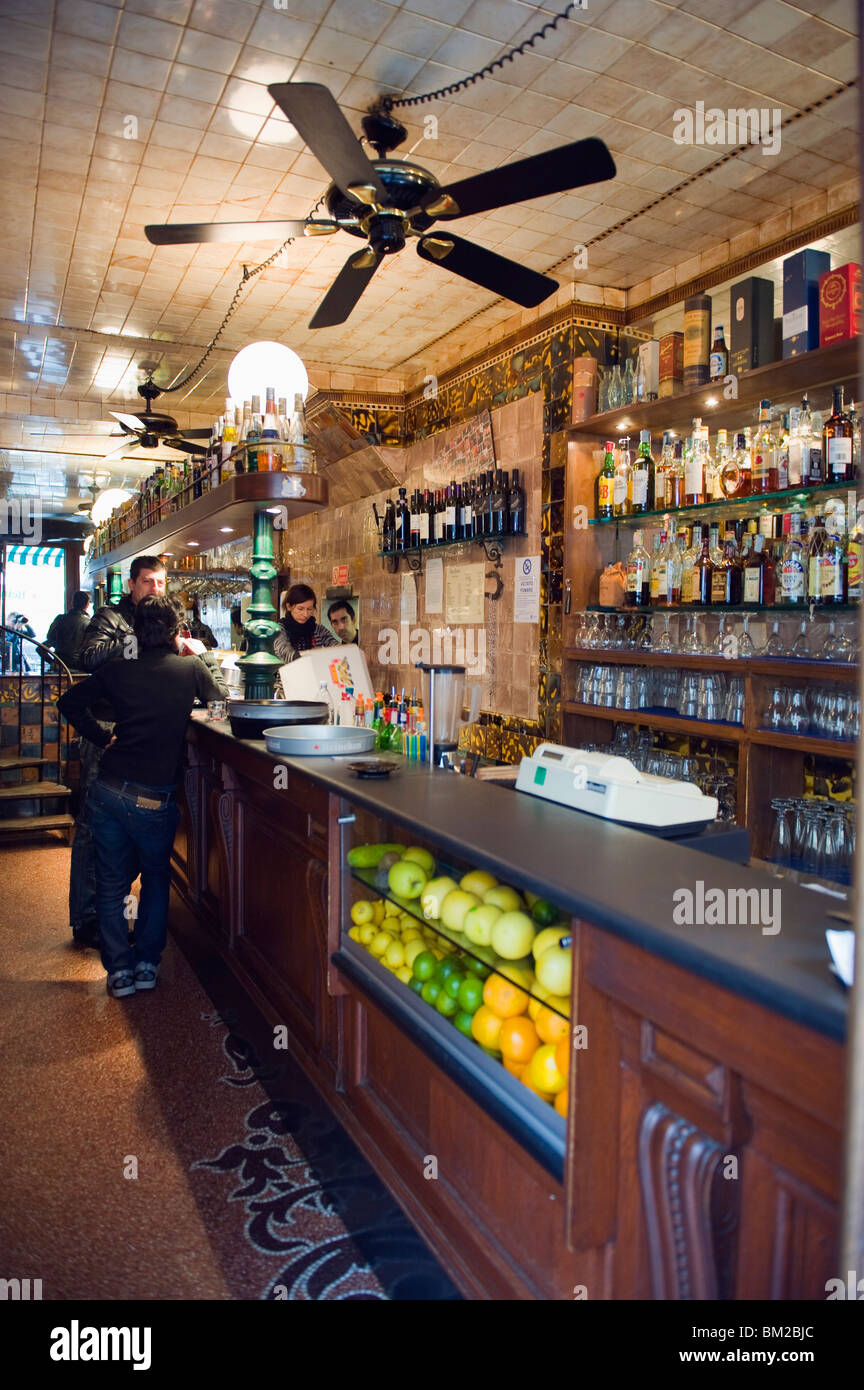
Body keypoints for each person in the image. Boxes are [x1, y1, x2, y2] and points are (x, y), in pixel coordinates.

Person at [58, 595, 225, 998]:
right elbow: (221, 701)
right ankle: (147, 964)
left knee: (112, 884)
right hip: (155, 797)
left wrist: (103, 736)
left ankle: (118, 971)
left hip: (109, 790)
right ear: (174, 630)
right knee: (154, 879)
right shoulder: (188, 668)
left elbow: (69, 703)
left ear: (135, 632)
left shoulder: (118, 669)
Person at [274, 584, 339, 664]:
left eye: (309, 609)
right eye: (300, 609)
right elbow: (287, 654)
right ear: (289, 606)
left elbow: (336, 648)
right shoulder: (279, 630)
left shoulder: (318, 630)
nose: (305, 614)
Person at [46, 591, 92, 670]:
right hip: (79, 667)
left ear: (72, 602)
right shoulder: (89, 623)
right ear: (87, 605)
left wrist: (53, 662)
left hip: (59, 665)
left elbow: (50, 638)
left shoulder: (60, 619)